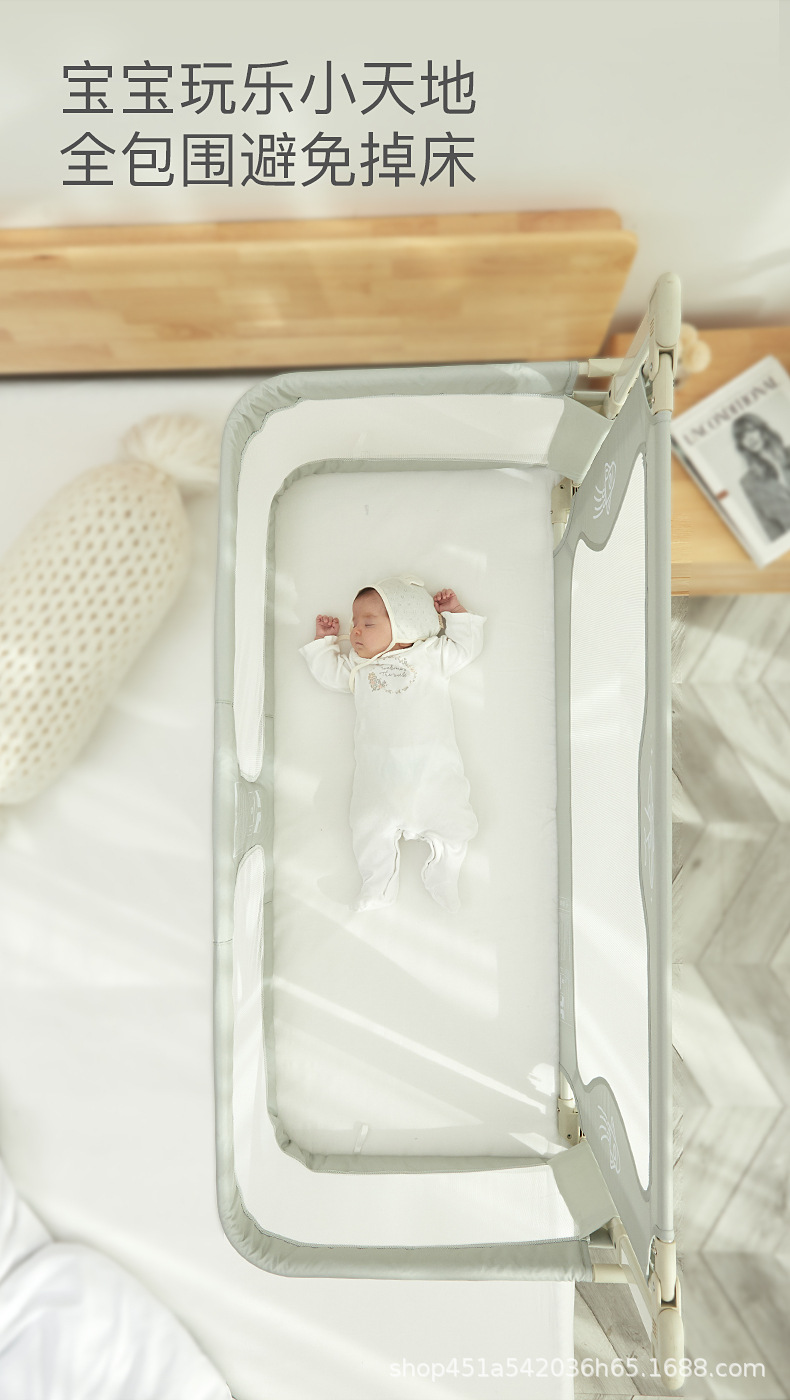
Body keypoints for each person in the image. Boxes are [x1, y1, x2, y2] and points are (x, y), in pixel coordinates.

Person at [299, 575, 485, 913]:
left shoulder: (431, 656)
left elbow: (466, 647)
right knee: (367, 827)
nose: (356, 631)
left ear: (404, 626)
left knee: (456, 826)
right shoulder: (359, 667)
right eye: (354, 623)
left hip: (434, 775)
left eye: (368, 623)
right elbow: (330, 674)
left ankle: (444, 875)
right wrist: (324, 643)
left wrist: (455, 613)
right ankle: (377, 885)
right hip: (379, 780)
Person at [731, 413, 790, 542]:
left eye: (751, 430)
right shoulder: (748, 483)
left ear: (762, 430)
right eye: (742, 436)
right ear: (741, 444)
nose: (750, 439)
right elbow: (771, 529)